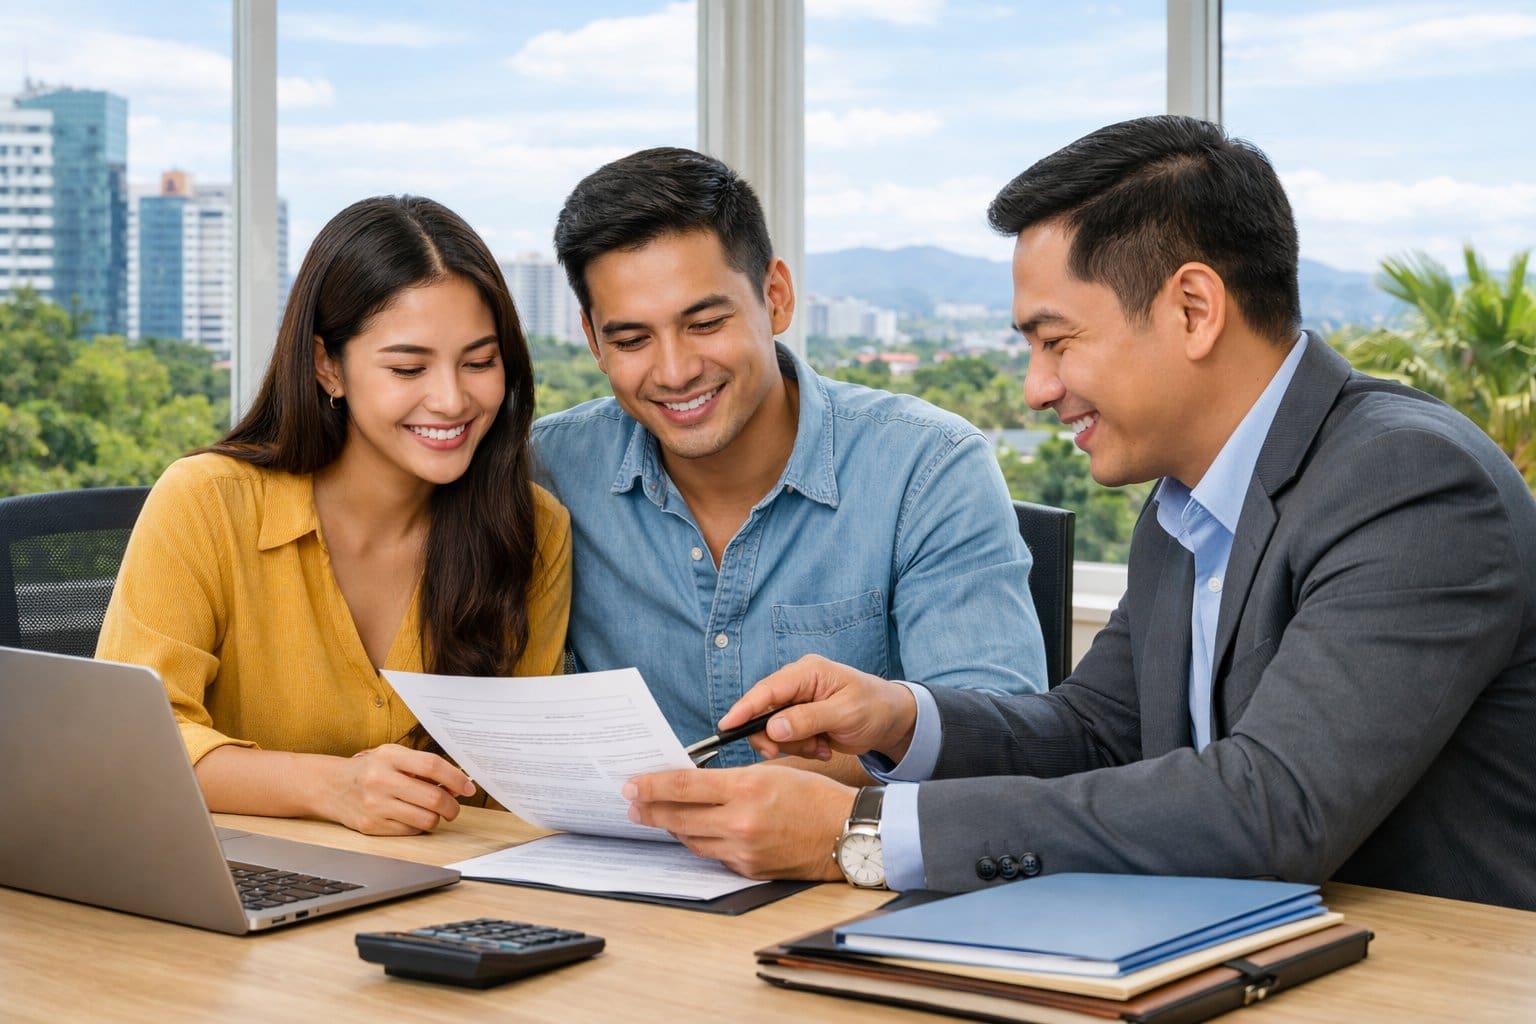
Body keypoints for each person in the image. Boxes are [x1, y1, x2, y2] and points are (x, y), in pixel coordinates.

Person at [626, 116, 1536, 911]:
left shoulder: (1410, 482)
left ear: (1192, 308)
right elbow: (1097, 734)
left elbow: (1271, 807)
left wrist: (857, 830)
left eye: (1056, 341)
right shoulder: (1185, 502)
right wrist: (900, 720)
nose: (1036, 388)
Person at [532, 146, 1046, 879]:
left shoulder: (927, 467)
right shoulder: (547, 473)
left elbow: (999, 750)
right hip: (614, 903)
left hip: (857, 897)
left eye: (705, 322)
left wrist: (821, 800)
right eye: (631, 338)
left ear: (775, 296)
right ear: (592, 339)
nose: (674, 371)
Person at [98, 196, 572, 837]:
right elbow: (133, 743)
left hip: (448, 897)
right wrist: (333, 786)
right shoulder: (206, 502)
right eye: (408, 367)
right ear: (328, 366)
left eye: (480, 362)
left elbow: (516, 785)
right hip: (240, 893)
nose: (452, 399)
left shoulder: (533, 529)